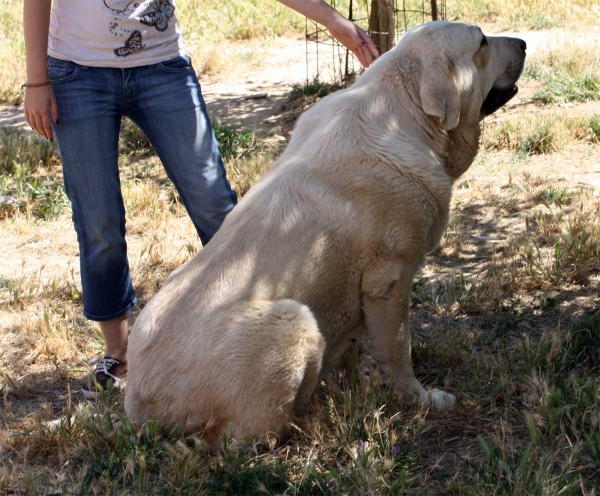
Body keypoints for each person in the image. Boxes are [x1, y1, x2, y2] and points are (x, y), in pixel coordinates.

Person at [23, 0, 379, 400]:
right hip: (77, 75)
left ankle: (266, 330)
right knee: (98, 220)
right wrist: (37, 80)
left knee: (215, 204)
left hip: (161, 70)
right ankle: (118, 353)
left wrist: (333, 20)